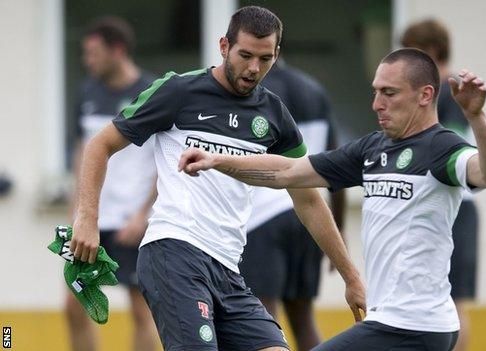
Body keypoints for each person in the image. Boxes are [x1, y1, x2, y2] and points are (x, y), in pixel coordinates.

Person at [70, 6, 366, 351]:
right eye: (245, 55)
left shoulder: (274, 113)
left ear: (277, 55)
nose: (254, 68)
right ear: (224, 46)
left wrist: (352, 276)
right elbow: (99, 145)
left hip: (228, 268)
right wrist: (87, 218)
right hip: (174, 254)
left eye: (265, 58)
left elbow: (309, 198)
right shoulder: (178, 91)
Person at [178, 48, 486, 351]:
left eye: (389, 93)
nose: (377, 103)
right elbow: (287, 172)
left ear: (425, 95)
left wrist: (477, 118)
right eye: (376, 92)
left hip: (412, 325)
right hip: (396, 324)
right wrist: (217, 160)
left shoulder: (442, 148)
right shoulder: (373, 149)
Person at [240, 59, 345, 351]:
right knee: (303, 320)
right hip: (309, 216)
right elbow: (335, 165)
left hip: (262, 217)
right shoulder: (315, 89)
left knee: (263, 322)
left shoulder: (255, 91)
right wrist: (337, 230)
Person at [67, 17, 158, 351]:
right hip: (91, 219)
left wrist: (144, 214)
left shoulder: (152, 93)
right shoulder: (86, 93)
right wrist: (76, 210)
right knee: (74, 305)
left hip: (133, 221)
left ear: (117, 50)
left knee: (142, 311)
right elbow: (81, 153)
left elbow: (167, 164)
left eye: (92, 52)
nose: (86, 60)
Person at [401, 19, 480, 351]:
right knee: (445, 303)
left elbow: (449, 152)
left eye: (412, 54)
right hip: (453, 209)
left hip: (454, 209)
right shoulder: (446, 90)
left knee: (452, 304)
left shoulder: (445, 92)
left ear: (431, 51)